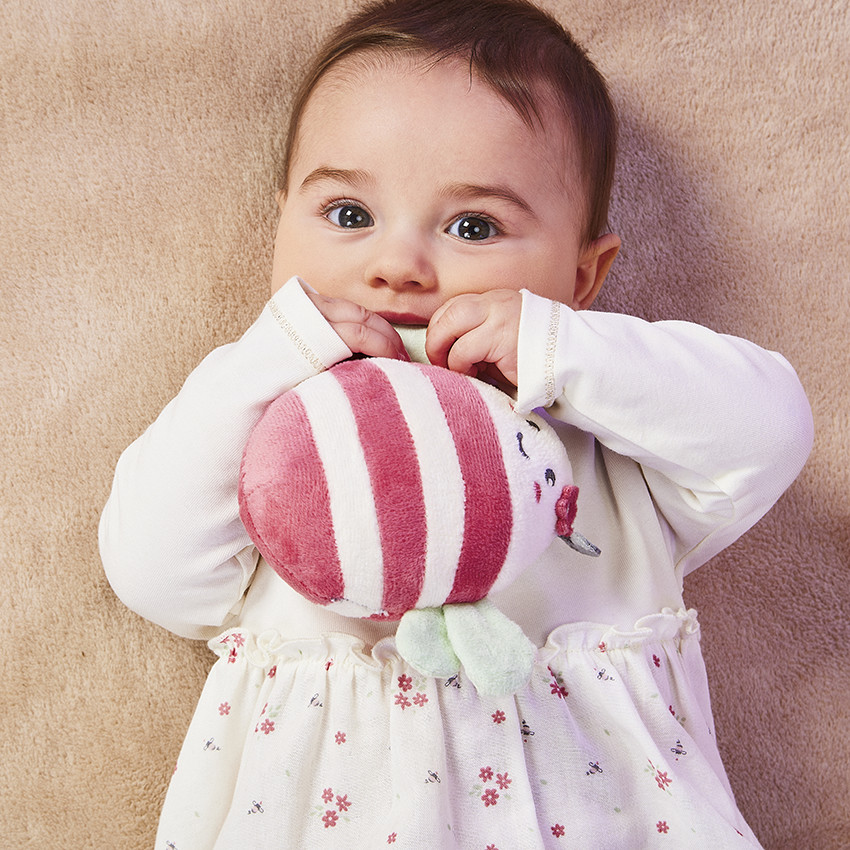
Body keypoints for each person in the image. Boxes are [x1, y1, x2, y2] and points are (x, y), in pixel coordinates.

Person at [99, 0, 813, 846]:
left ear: (584, 277)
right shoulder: (276, 446)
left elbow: (769, 430)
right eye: (349, 215)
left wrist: (563, 350)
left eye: (474, 227)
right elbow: (151, 570)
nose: (397, 266)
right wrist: (267, 361)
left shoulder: (611, 452)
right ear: (280, 224)